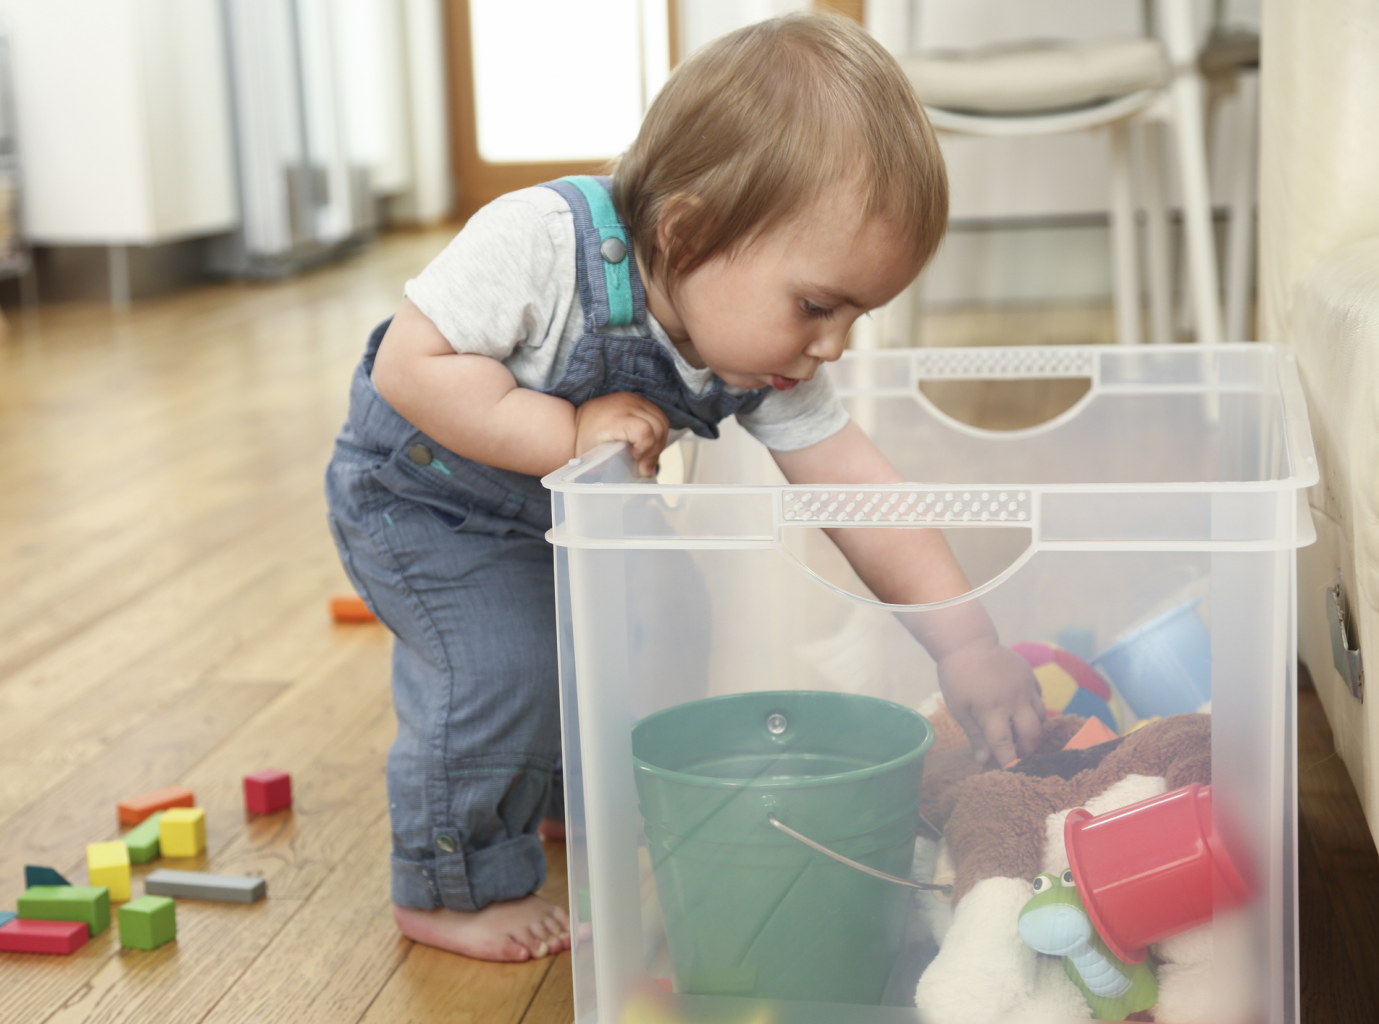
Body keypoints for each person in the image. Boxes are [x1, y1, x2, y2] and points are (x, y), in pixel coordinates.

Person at [324, 12, 1047, 964]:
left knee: (667, 612)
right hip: (427, 506)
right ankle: (447, 882)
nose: (833, 345)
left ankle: (564, 795)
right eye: (817, 306)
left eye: (857, 314)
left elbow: (858, 492)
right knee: (502, 666)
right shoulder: (536, 243)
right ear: (688, 234)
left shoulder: (760, 356)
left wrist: (967, 641)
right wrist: (566, 430)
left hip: (566, 515)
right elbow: (409, 369)